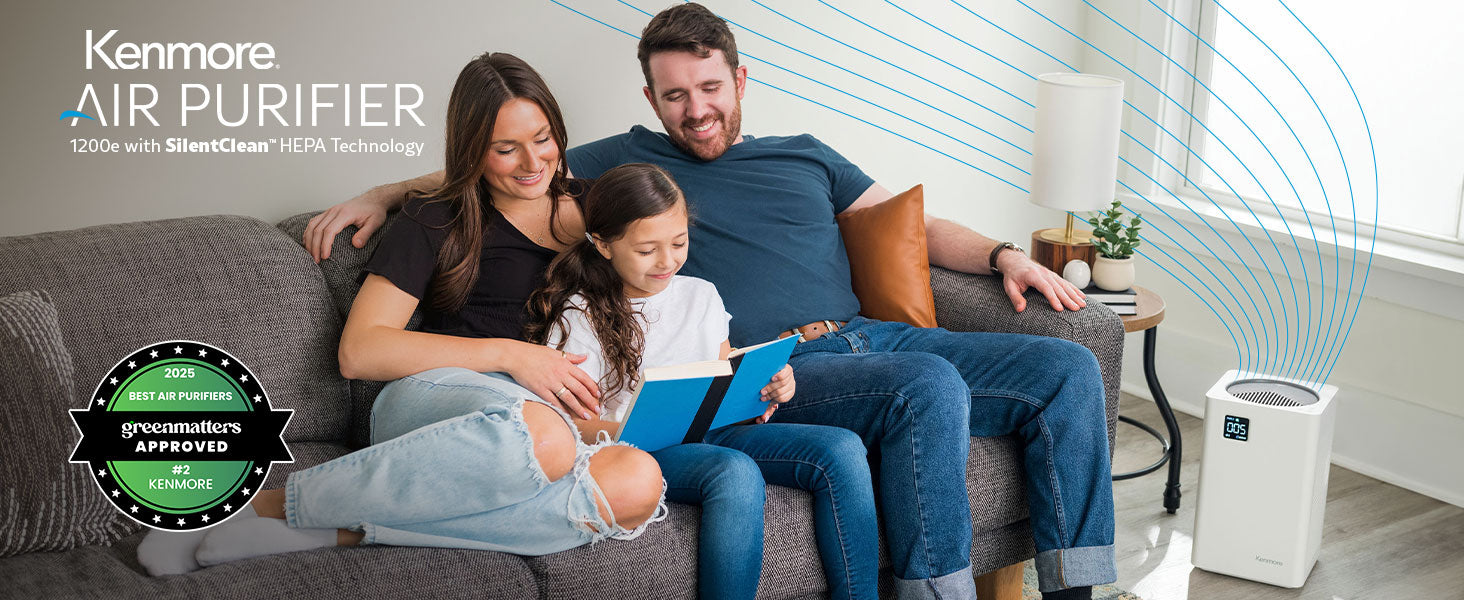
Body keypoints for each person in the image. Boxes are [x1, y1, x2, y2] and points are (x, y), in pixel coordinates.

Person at [305, 5, 1116, 599]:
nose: (695, 110)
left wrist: (1007, 255)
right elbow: (495, 173)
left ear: (740, 78)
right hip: (777, 362)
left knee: (1068, 366)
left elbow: (913, 224)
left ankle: (1082, 590)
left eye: (709, 87)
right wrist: (382, 193)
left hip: (869, 334)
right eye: (673, 96)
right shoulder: (622, 174)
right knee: (925, 391)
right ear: (650, 101)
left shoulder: (800, 156)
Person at [136, 52, 669, 577]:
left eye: (543, 139)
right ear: (473, 152)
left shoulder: (602, 210)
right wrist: (512, 355)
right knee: (543, 437)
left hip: (547, 420)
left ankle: (340, 530)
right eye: (504, 149)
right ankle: (265, 509)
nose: (533, 164)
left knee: (637, 481)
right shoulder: (437, 217)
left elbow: (671, 273)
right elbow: (360, 350)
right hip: (438, 398)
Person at [524, 163, 879, 600]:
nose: (668, 260)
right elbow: (569, 426)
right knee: (734, 472)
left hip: (716, 432)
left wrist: (771, 385)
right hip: (640, 449)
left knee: (842, 448)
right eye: (647, 249)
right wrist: (631, 428)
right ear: (603, 245)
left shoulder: (701, 294)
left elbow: (723, 371)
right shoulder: (579, 315)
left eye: (678, 243)